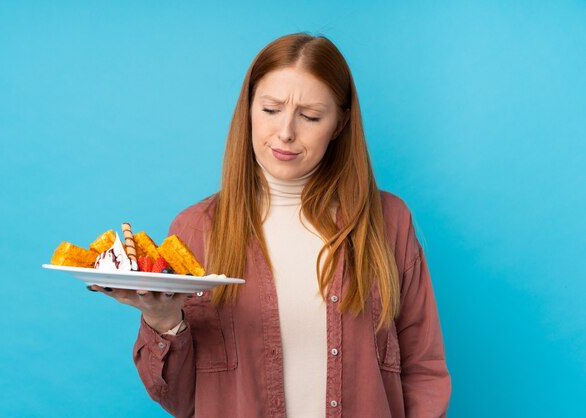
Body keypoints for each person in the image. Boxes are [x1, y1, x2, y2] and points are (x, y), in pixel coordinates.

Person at [90, 33, 451, 417]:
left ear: (340, 123)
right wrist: (163, 320)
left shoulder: (388, 221)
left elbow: (424, 370)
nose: (286, 132)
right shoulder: (196, 228)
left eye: (310, 116)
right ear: (247, 109)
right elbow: (181, 401)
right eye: (270, 110)